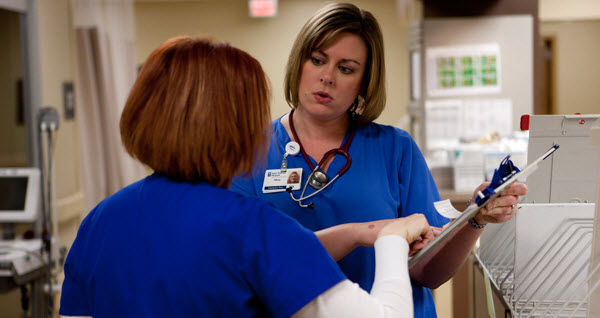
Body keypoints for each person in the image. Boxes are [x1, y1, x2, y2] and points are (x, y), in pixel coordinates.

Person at [59, 36, 435, 318]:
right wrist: (390, 240)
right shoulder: (255, 228)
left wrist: (357, 234)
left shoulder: (100, 221)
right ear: (239, 128)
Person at [230, 3, 528, 318]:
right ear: (299, 63)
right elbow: (242, 262)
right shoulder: (248, 152)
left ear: (364, 82)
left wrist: (475, 218)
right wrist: (365, 232)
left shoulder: (394, 149)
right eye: (317, 60)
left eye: (346, 68)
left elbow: (428, 272)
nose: (327, 77)